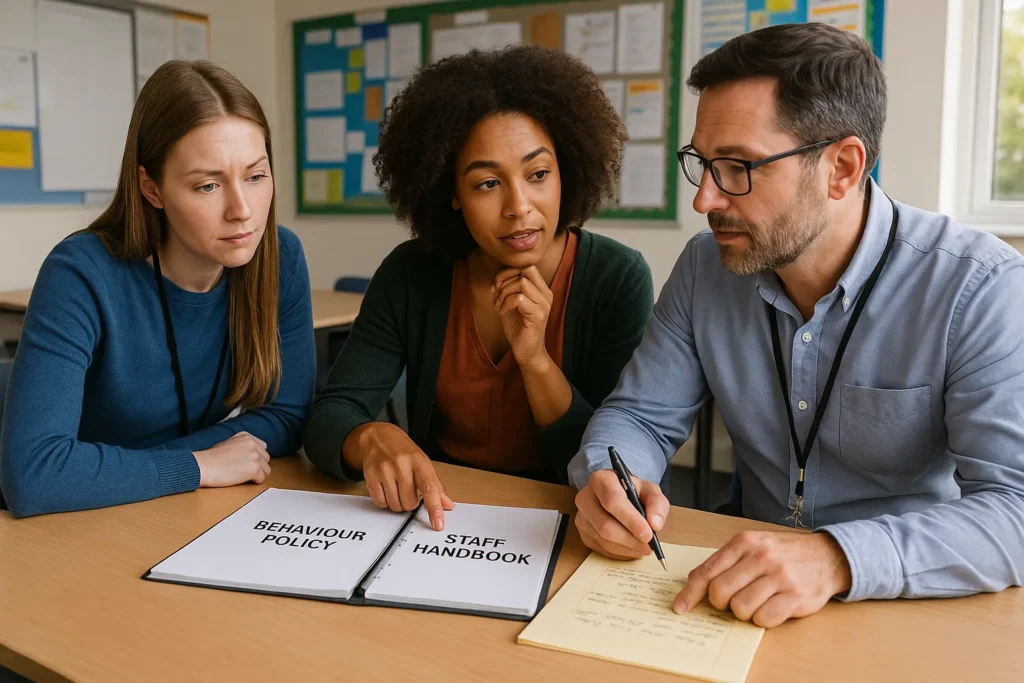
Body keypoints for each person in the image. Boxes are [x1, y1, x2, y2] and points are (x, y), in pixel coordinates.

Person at [570, 22, 1024, 627]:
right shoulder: (707, 268)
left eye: (737, 166)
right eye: (701, 163)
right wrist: (609, 475)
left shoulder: (979, 288)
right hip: (736, 594)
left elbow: (1014, 510)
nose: (704, 200)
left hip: (903, 600)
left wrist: (837, 558)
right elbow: (638, 417)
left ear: (842, 167)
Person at [304, 46, 653, 532]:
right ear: (450, 193)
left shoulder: (616, 277)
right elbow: (329, 416)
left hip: (567, 522)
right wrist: (371, 436)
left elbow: (608, 460)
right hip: (440, 515)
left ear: (565, 171)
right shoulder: (413, 273)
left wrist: (534, 360)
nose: (519, 206)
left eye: (537, 175)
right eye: (488, 183)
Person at [0, 60, 315, 517]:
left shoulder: (279, 258)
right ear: (152, 188)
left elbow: (288, 416)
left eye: (256, 175)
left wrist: (185, 466)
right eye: (208, 185)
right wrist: (197, 465)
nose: (242, 210)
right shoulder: (81, 274)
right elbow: (35, 476)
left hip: (165, 509)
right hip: (73, 526)